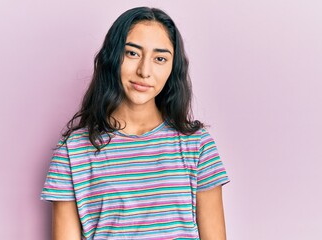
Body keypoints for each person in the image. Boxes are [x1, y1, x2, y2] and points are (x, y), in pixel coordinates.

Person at [41, 6, 230, 240]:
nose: (144, 71)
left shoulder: (197, 146)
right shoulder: (72, 150)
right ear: (112, 57)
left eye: (160, 58)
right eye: (132, 53)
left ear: (173, 68)